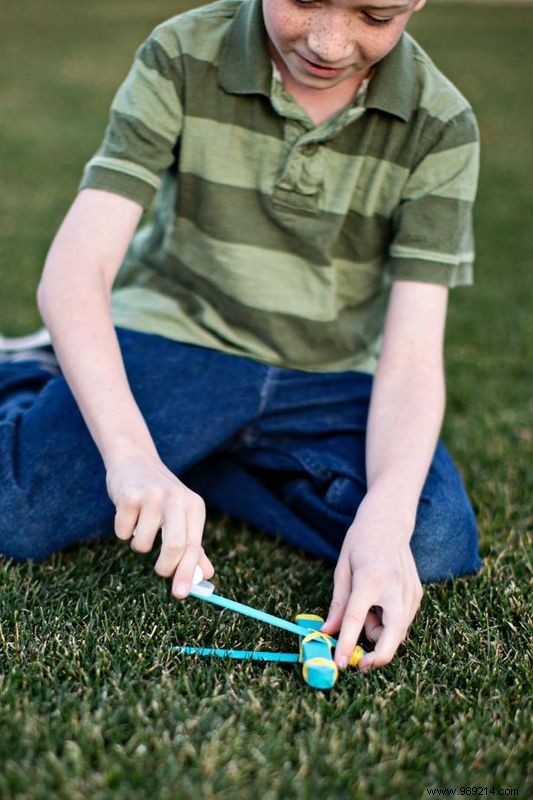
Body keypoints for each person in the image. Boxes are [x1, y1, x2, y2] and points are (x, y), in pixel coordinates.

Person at [0, 0, 482, 672]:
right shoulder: (181, 52)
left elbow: (409, 355)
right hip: (177, 340)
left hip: (329, 374)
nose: (328, 42)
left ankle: (198, 449)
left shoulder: (442, 122)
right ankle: (32, 373)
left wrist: (386, 517)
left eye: (373, 14)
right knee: (21, 512)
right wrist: (132, 456)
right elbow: (74, 275)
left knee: (430, 542)